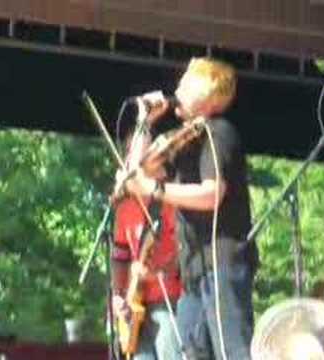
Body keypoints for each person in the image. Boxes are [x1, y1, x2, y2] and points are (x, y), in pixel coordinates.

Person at [125, 57, 259, 360]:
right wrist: (145, 122)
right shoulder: (185, 140)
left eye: (185, 83)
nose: (178, 89)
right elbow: (136, 173)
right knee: (193, 352)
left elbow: (212, 194)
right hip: (194, 270)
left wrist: (157, 191)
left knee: (232, 351)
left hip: (222, 261)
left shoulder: (218, 132)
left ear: (205, 92)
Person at [111, 98, 183, 360]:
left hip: (170, 297)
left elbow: (187, 246)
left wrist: (164, 270)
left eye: (139, 152)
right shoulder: (124, 205)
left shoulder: (174, 195)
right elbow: (119, 256)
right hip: (134, 303)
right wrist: (118, 295)